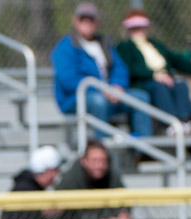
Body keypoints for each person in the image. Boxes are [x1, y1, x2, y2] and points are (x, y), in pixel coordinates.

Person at [51, 2, 153, 138]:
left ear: (97, 22)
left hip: (108, 94)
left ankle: (141, 150)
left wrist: (117, 86)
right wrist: (101, 89)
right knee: (98, 101)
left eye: (91, 19)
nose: (87, 22)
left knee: (140, 97)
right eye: (83, 18)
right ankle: (104, 149)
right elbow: (68, 79)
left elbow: (120, 68)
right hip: (76, 99)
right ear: (75, 21)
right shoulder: (66, 47)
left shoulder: (104, 43)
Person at [116, 9, 191, 136]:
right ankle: (171, 124)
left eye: (141, 27)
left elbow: (176, 59)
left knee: (180, 84)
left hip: (166, 78)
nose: (139, 30)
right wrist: (154, 75)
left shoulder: (156, 45)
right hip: (146, 82)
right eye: (135, 28)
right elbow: (129, 68)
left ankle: (185, 121)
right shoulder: (125, 47)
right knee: (159, 87)